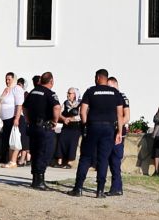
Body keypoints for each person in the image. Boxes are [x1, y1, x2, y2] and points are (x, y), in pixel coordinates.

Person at [69, 68, 123, 198]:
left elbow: (83, 111)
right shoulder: (115, 93)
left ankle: (78, 188)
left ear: (98, 77)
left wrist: (85, 125)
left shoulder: (91, 91)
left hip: (93, 127)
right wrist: (119, 132)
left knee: (86, 157)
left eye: (95, 77)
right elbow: (120, 114)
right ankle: (100, 191)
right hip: (109, 128)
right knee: (103, 159)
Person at [24, 71, 58, 190]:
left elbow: (25, 107)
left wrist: (28, 120)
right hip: (44, 128)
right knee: (44, 153)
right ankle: (40, 182)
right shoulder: (50, 93)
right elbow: (57, 107)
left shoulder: (33, 92)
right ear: (51, 81)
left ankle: (35, 180)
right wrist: (55, 121)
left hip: (33, 127)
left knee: (35, 152)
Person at [106, 75, 130, 195]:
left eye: (110, 86)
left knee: (115, 160)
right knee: (110, 161)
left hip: (117, 133)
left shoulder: (122, 97)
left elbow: (127, 117)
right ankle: (117, 188)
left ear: (116, 85)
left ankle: (116, 188)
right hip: (108, 131)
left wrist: (117, 126)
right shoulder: (109, 97)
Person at [0, 72, 22, 166]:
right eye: (6, 79)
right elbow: (0, 104)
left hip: (12, 118)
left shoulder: (16, 89)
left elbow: (19, 104)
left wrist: (17, 118)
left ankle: (12, 161)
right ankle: (7, 159)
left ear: (14, 79)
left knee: (13, 139)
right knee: (7, 139)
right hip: (5, 119)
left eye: (9, 79)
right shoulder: (6, 89)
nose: (7, 81)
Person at [55, 87, 81, 168]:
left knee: (73, 142)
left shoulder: (79, 104)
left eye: (70, 93)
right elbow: (59, 113)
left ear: (75, 95)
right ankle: (60, 160)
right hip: (66, 127)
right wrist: (64, 119)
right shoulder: (65, 103)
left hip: (75, 128)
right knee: (61, 140)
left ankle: (70, 162)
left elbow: (81, 116)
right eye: (68, 93)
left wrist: (71, 119)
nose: (68, 95)